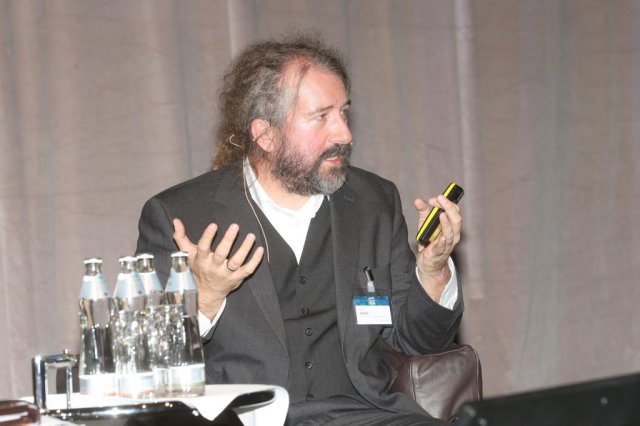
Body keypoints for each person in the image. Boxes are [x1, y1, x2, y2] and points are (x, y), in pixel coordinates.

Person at [136, 34, 463, 425]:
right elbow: (146, 366)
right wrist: (205, 297)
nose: (344, 134)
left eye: (344, 113)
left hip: (363, 416)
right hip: (241, 419)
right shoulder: (181, 216)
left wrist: (433, 271)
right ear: (266, 135)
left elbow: (417, 341)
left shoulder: (374, 202)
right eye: (321, 117)